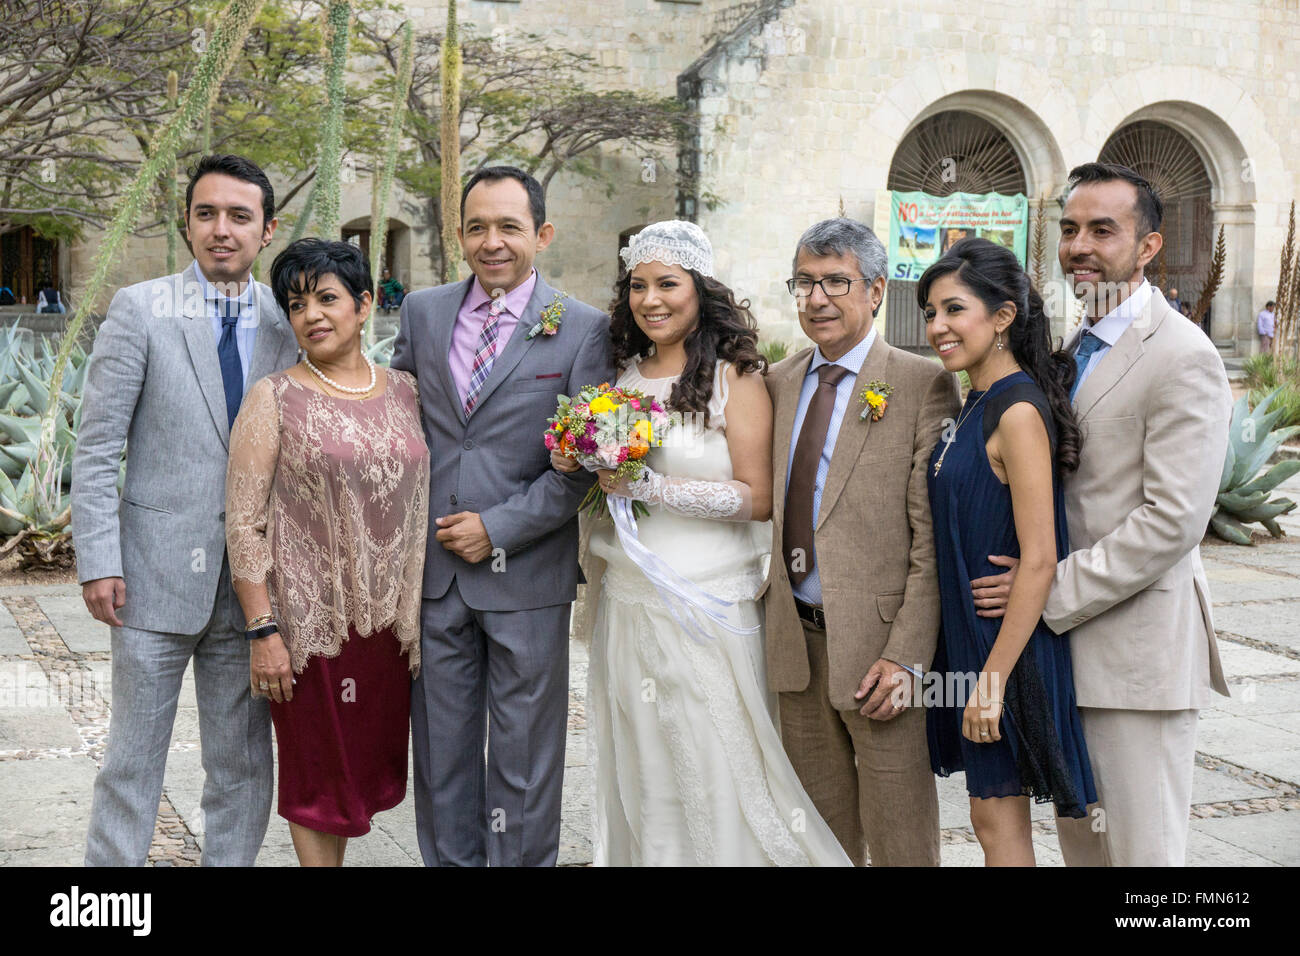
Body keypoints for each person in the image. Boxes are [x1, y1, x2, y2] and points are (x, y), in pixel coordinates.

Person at [555, 221, 851, 866]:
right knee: (642, 753)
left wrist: (650, 485)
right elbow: (606, 483)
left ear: (701, 290)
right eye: (638, 286)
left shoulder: (733, 376)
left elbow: (758, 496)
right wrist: (578, 460)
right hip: (629, 595)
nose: (651, 299)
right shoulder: (622, 378)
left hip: (706, 600)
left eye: (668, 284)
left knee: (711, 748)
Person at [972, 162, 1231, 866]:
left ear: (1148, 246)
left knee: (1142, 860)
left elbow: (1173, 521)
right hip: (1062, 656)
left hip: (1136, 658)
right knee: (1087, 850)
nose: (1079, 246)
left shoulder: (1182, 356)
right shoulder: (1068, 347)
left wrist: (1043, 588)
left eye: (1102, 230)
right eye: (1069, 229)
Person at [72, 154, 300, 866]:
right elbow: (97, 445)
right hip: (149, 577)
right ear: (188, 223)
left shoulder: (289, 322)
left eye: (239, 216)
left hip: (253, 589)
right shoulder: (140, 310)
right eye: (207, 214)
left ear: (267, 230)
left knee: (242, 767)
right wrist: (99, 560)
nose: (221, 230)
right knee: (132, 763)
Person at [390, 165, 615, 866]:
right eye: (478, 226)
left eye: (510, 227)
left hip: (526, 577)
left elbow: (580, 467)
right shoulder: (423, 313)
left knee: (523, 761)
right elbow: (396, 426)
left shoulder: (582, 330)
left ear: (541, 235)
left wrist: (501, 526)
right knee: (441, 756)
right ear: (460, 235)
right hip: (434, 580)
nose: (493, 241)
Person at [763, 218, 960, 866]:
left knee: (901, 839)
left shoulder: (920, 382)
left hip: (881, 660)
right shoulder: (778, 381)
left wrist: (907, 659)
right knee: (818, 840)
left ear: (875, 291)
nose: (816, 298)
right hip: (796, 648)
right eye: (804, 283)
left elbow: (931, 545)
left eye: (834, 282)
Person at [225, 238, 429, 866]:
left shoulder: (406, 391)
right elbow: (242, 524)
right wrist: (265, 631)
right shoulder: (274, 397)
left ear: (365, 305)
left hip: (393, 630)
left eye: (327, 298)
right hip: (310, 632)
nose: (311, 314)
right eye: (296, 303)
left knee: (366, 774)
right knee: (318, 782)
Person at [917, 238, 1096, 866]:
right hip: (971, 636)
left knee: (998, 824)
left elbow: (1040, 556)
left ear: (1002, 316)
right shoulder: (973, 404)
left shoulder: (1017, 410)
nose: (937, 326)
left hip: (1006, 648)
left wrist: (990, 681)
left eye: (953, 310)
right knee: (990, 816)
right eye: (931, 311)